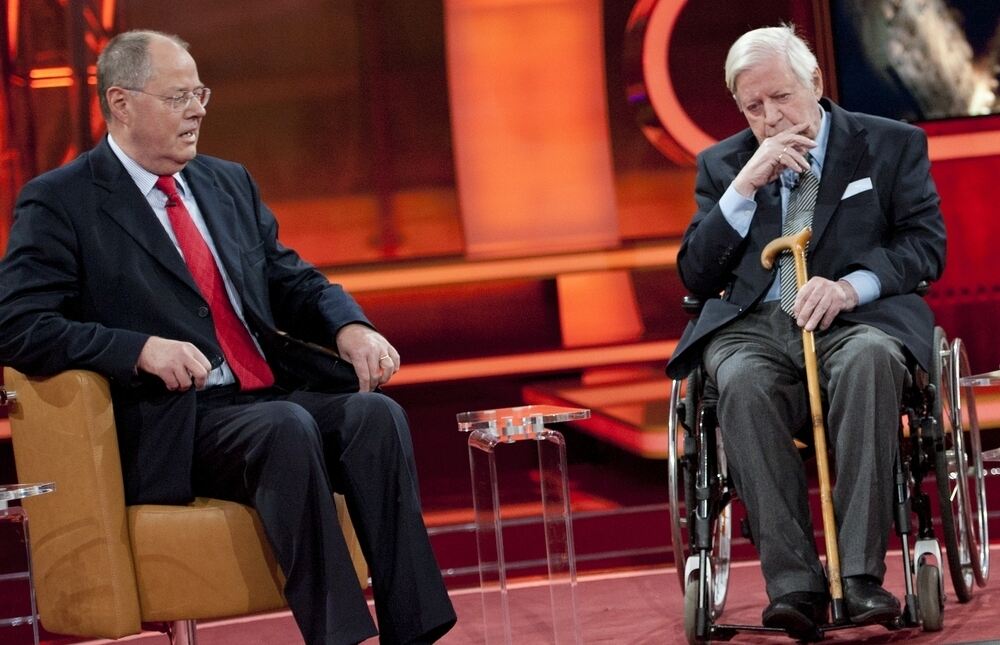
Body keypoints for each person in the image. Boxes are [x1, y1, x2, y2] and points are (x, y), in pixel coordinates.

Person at [0, 30, 456, 645]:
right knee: (286, 430)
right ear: (122, 102)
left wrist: (350, 324)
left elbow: (287, 276)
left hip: (266, 395)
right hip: (176, 419)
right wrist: (136, 349)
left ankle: (417, 631)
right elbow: (18, 324)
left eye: (201, 93)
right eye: (178, 96)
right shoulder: (62, 201)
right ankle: (341, 638)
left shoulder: (225, 182)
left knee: (375, 416)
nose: (198, 110)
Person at [665, 24, 946, 638]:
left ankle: (859, 578)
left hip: (854, 317)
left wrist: (850, 286)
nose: (770, 117)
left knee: (870, 361)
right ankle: (794, 586)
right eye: (753, 107)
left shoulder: (890, 145)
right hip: (756, 325)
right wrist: (744, 188)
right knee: (739, 384)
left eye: (782, 98)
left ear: (815, 82)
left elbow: (925, 246)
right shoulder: (723, 165)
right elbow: (694, 271)